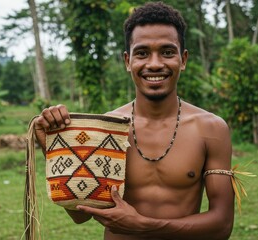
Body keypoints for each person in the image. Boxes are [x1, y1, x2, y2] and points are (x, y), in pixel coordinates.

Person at [33, 2, 234, 239]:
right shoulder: (107, 127)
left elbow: (222, 225)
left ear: (184, 59)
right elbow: (81, 215)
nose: (155, 64)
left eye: (168, 52)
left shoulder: (210, 129)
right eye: (142, 53)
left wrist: (145, 225)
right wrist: (56, 151)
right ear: (128, 61)